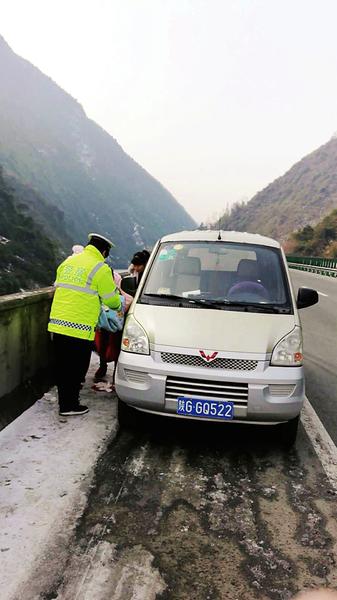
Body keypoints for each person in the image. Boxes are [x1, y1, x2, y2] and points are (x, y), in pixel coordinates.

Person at [48, 233, 121, 416]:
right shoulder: (100, 268)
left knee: (62, 366)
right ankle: (70, 405)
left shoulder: (67, 263)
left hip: (57, 323)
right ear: (104, 251)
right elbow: (111, 300)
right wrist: (118, 303)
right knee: (76, 368)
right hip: (79, 327)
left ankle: (64, 403)